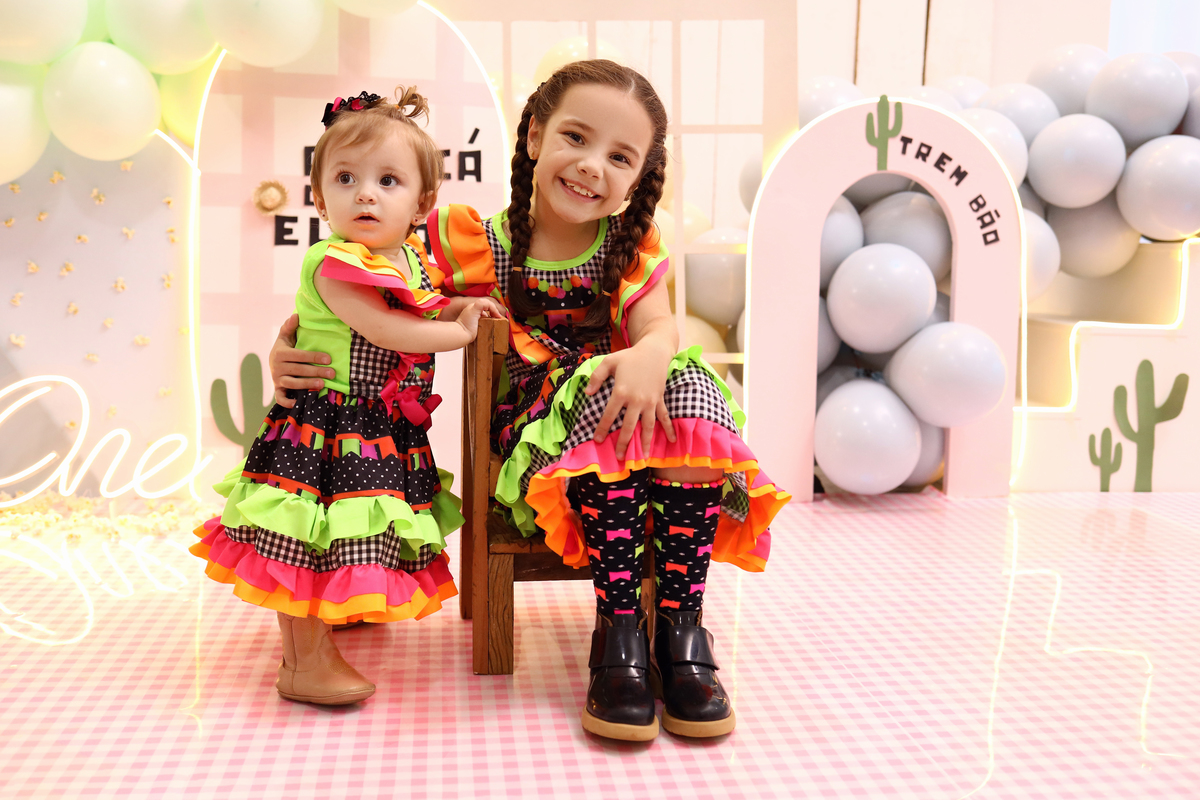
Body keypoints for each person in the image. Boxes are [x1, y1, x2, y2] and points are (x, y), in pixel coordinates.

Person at [269, 61, 789, 737]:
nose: (592, 165)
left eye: (620, 157)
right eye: (576, 137)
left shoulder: (629, 245)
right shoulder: (473, 242)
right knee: (604, 399)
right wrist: (287, 343)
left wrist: (649, 354)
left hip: (630, 401)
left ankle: (680, 628)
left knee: (689, 391)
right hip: (539, 429)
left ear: (639, 176)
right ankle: (619, 630)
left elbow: (658, 326)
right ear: (536, 136)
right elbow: (367, 284)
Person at [191, 87, 502, 706]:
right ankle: (302, 660)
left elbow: (422, 305)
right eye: (345, 178)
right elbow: (387, 328)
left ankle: (342, 607)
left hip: (374, 425)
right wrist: (461, 333)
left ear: (422, 202)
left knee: (355, 523)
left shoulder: (407, 259)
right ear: (318, 197)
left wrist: (459, 306)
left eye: (388, 181)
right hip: (326, 423)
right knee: (305, 536)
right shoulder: (334, 262)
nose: (365, 194)